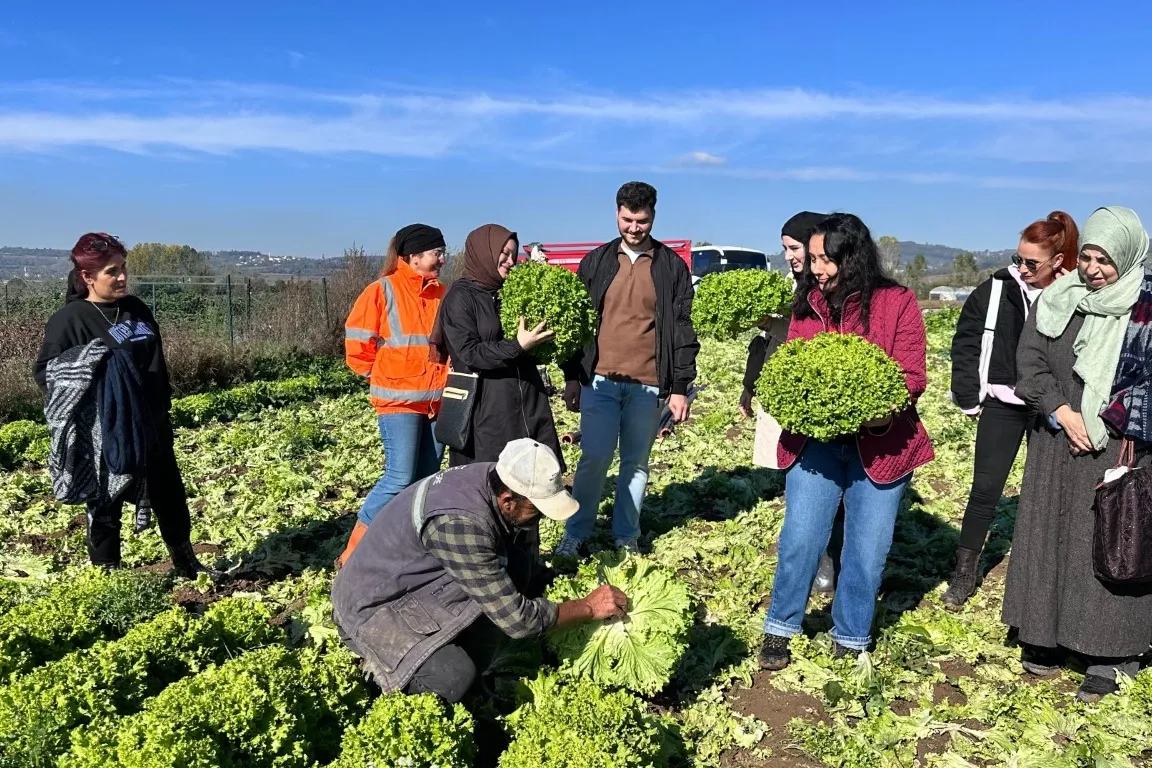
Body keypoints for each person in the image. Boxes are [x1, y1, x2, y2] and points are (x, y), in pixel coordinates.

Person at [759, 213, 934, 669]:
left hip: (882, 444)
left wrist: (881, 408)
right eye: (812, 258)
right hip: (816, 444)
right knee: (800, 538)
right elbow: (792, 366)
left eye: (824, 259)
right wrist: (800, 401)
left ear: (851, 257)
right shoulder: (809, 302)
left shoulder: (897, 302)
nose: (815, 268)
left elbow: (912, 374)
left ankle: (852, 634)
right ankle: (780, 626)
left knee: (866, 550)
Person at [330, 438, 629, 703]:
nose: (541, 519)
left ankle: (470, 668)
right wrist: (588, 607)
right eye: (537, 510)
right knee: (453, 677)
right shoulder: (460, 523)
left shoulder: (489, 478)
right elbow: (519, 621)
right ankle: (382, 676)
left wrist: (560, 581)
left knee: (519, 567)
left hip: (406, 581)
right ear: (508, 501)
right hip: (370, 611)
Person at [1003, 205, 1152, 704]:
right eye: (1087, 257)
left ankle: (1110, 653)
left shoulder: (1145, 308)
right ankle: (1044, 634)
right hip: (1056, 441)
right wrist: (1062, 412)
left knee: (1110, 541)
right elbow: (1030, 362)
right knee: (1051, 535)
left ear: (1128, 258)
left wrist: (1106, 421)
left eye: (1104, 260)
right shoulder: (1059, 298)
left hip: (1119, 447)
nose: (1092, 269)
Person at [33, 233, 219, 578]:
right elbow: (47, 373)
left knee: (169, 495)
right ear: (87, 277)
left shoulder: (136, 309)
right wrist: (95, 367)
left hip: (152, 422)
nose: (122, 277)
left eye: (123, 268)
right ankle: (108, 575)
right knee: (106, 504)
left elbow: (155, 360)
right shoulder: (70, 320)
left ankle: (186, 562)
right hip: (106, 431)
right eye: (111, 271)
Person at [555, 181, 700, 556]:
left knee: (636, 464)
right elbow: (575, 324)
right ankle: (577, 531)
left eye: (642, 221)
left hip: (649, 385)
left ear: (653, 216)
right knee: (594, 459)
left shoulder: (671, 267)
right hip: (599, 381)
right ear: (617, 214)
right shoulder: (596, 262)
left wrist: (680, 387)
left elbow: (684, 329)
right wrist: (572, 376)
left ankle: (626, 535)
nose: (634, 228)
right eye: (627, 220)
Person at [943, 211, 1078, 608]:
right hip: (1003, 403)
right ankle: (964, 573)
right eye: (1018, 258)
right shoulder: (996, 289)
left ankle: (1048, 575)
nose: (1022, 268)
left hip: (1052, 408)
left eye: (1032, 262)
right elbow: (965, 342)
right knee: (985, 489)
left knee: (1050, 493)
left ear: (1057, 260)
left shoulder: (1075, 293)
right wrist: (969, 396)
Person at [740, 211, 841, 596]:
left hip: (817, 393)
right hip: (783, 390)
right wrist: (750, 385)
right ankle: (808, 556)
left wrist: (776, 321)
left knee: (825, 480)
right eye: (785, 249)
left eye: (795, 248)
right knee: (795, 475)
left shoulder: (829, 287)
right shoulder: (786, 285)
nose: (789, 256)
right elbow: (765, 343)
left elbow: (825, 337)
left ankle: (827, 558)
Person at [338, 224, 450, 567]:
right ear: (413, 256)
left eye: (442, 253)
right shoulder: (381, 290)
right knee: (399, 477)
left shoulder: (443, 293)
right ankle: (353, 553)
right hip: (398, 402)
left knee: (426, 480)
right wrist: (382, 373)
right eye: (436, 253)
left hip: (436, 402)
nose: (442, 259)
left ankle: (407, 548)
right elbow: (357, 345)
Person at [430, 224, 563, 469]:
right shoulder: (460, 297)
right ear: (485, 252)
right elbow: (469, 353)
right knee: (493, 476)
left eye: (514, 255)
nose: (511, 262)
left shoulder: (511, 290)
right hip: (487, 407)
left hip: (529, 397)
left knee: (534, 474)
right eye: (505, 254)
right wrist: (517, 346)